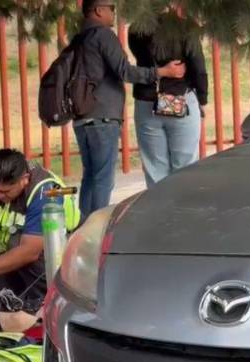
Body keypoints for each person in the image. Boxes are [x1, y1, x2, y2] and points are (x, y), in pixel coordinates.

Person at [73, 0, 185, 217]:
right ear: (98, 10)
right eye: (111, 8)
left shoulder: (79, 38)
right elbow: (125, 71)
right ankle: (96, 226)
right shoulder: (103, 35)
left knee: (91, 176)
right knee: (103, 179)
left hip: (82, 116)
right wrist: (161, 72)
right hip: (103, 116)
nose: (114, 13)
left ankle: (85, 224)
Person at [0, 149, 79, 306]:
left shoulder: (44, 191)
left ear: (25, 179)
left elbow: (30, 252)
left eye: (5, 191)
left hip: (51, 256)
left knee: (41, 306)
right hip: (10, 251)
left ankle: (42, 304)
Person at [129, 18, 208, 187]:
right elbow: (198, 67)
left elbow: (139, 56)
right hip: (180, 99)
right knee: (185, 167)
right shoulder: (185, 27)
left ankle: (159, 204)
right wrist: (202, 99)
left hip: (146, 101)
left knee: (155, 169)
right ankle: (182, 204)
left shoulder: (137, 28)